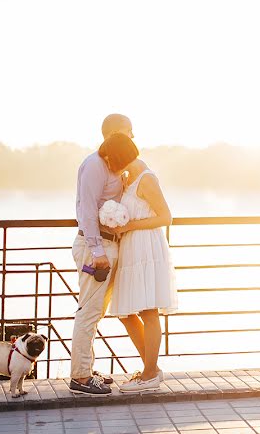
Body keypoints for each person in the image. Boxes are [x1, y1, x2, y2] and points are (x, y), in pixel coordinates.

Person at [69, 115, 135, 396]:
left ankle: (86, 368)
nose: (132, 136)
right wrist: (97, 251)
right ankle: (80, 378)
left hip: (108, 246)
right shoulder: (95, 165)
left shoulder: (114, 165)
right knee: (88, 311)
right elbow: (86, 210)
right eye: (128, 132)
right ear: (114, 134)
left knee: (95, 313)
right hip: (95, 248)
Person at [105, 151, 178, 392]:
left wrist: (131, 225)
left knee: (149, 310)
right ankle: (152, 368)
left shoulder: (147, 178)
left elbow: (166, 217)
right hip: (131, 248)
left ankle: (148, 374)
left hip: (147, 247)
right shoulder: (127, 179)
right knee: (126, 312)